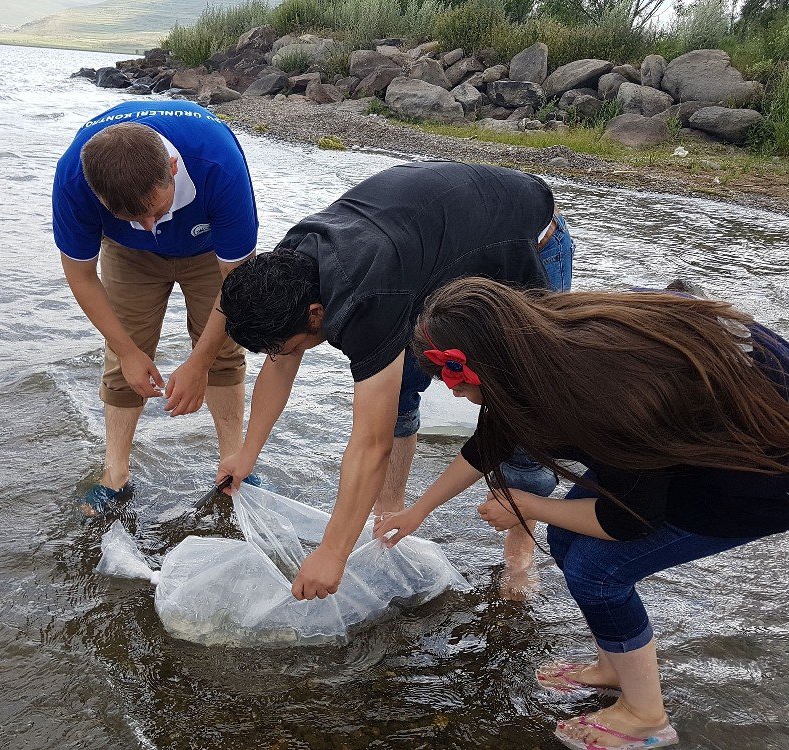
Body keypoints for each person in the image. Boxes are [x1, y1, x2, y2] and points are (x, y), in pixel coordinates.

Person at [376, 277, 789, 750]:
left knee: (599, 570)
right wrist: (419, 510)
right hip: (705, 436)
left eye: (457, 384)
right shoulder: (537, 347)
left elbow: (629, 522)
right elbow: (491, 440)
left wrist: (526, 505)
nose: (457, 396)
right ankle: (616, 668)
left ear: (482, 365)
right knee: (568, 540)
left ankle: (647, 716)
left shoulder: (610, 394)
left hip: (781, 470)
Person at [216, 161, 575, 600]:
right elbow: (280, 362)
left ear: (315, 314)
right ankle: (390, 514)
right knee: (399, 387)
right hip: (431, 249)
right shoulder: (293, 260)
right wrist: (246, 453)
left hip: (527, 241)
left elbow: (371, 442)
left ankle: (520, 549)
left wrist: (333, 553)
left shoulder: (367, 296)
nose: (290, 356)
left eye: (294, 345)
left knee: (520, 403)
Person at [52, 100, 258, 519]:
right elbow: (80, 276)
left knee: (222, 349)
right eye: (133, 216)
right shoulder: (74, 177)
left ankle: (233, 467)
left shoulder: (217, 162)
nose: (151, 226)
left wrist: (199, 362)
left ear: (173, 169)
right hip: (127, 255)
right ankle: (116, 477)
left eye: (157, 211)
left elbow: (239, 283)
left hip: (209, 250)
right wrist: (129, 351)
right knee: (122, 357)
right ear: (97, 195)